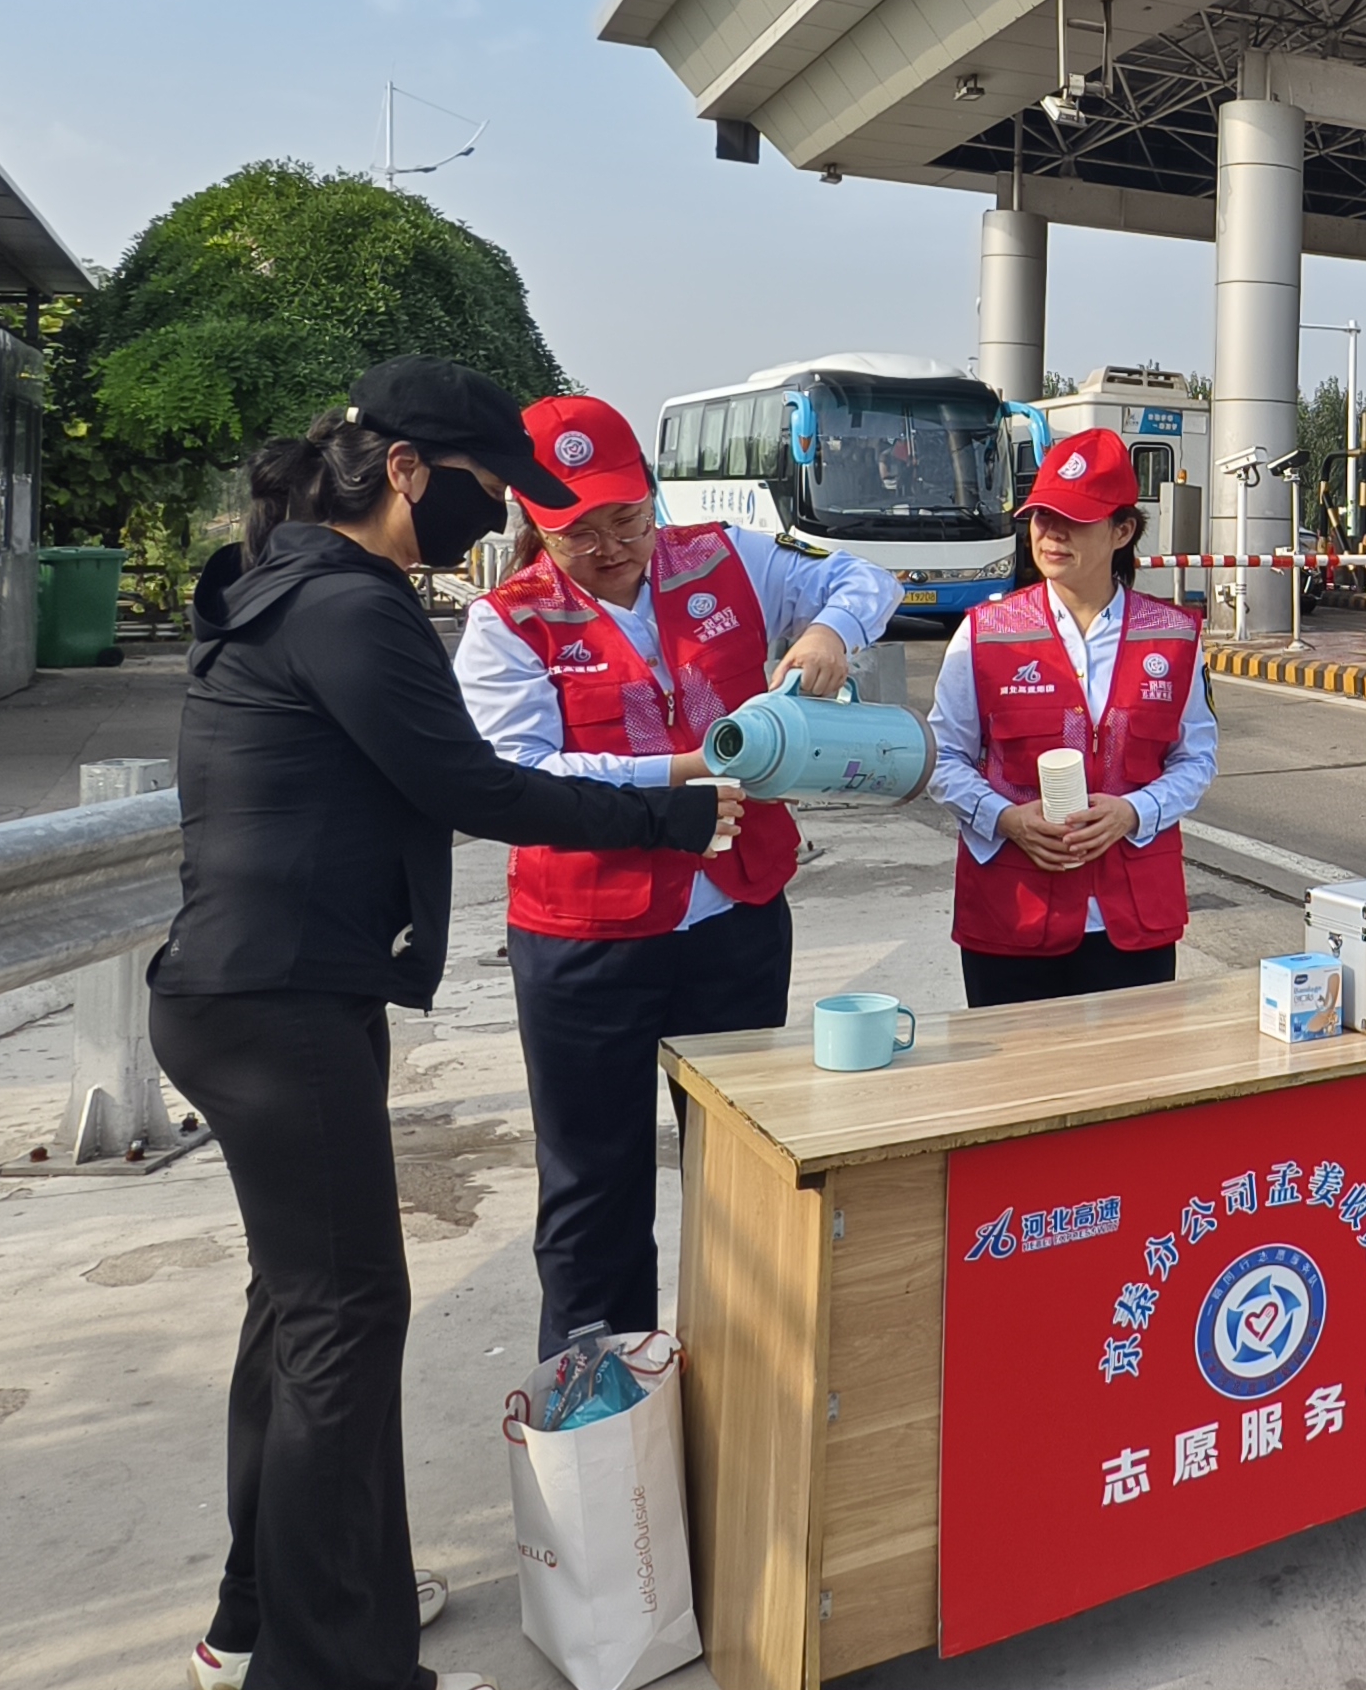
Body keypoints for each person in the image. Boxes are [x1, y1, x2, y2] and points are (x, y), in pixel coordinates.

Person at [151, 360, 737, 1690]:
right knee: (345, 1321)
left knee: (299, 1313)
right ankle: (332, 1667)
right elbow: (476, 783)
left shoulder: (288, 582)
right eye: (488, 487)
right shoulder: (348, 606)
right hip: (281, 1003)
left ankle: (264, 1618)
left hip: (253, 992)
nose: (502, 516)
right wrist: (675, 811)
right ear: (406, 469)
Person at [452, 395, 902, 1355]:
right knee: (593, 1188)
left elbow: (865, 577)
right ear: (533, 519)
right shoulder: (508, 623)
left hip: (734, 915)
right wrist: (687, 770)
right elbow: (521, 772)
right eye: (579, 533)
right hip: (586, 938)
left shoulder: (723, 557)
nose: (611, 548)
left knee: (742, 1166)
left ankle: (744, 1383)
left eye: (627, 520)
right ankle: (602, 1403)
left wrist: (832, 632)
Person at [926, 425, 1217, 1005]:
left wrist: (1134, 812)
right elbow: (942, 757)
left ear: (1122, 531)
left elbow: (1196, 759)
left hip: (1131, 917)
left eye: (1075, 519)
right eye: (1041, 516)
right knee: (1017, 1064)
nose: (1051, 533)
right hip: (1013, 913)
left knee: (1134, 1061)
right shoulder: (984, 633)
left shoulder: (1175, 637)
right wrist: (1005, 819)